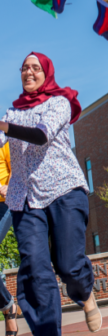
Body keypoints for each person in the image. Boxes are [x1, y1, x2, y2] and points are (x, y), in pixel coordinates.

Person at [0, 53, 100, 336]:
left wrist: (4, 127)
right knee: (34, 270)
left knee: (68, 266)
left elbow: (41, 135)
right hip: (25, 200)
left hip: (63, 191)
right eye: (24, 68)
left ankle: (85, 294)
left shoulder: (59, 103)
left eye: (35, 68)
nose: (28, 72)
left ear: (46, 73)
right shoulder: (12, 112)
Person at [0, 142, 19, 336]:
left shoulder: (3, 140)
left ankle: (7, 306)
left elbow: (16, 171)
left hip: (4, 204)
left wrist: (8, 187)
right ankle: (7, 305)